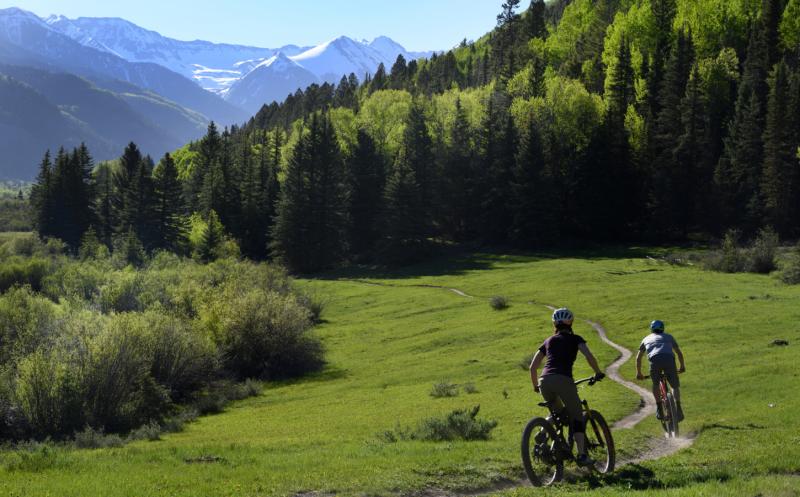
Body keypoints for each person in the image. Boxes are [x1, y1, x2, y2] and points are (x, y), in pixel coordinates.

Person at [529, 307, 605, 467]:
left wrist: (536, 386)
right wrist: (598, 372)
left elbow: (533, 367)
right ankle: (582, 455)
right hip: (563, 379)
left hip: (544, 381)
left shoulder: (548, 341)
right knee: (577, 416)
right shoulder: (576, 339)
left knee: (558, 412)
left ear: (554, 324)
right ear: (571, 323)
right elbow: (589, 356)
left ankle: (543, 432)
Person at [636, 320, 686, 421]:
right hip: (669, 360)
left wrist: (639, 373)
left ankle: (659, 409)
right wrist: (682, 366)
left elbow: (638, 357)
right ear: (663, 328)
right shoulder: (669, 337)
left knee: (655, 384)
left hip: (655, 360)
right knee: (674, 386)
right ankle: (678, 408)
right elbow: (679, 353)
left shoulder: (646, 338)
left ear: (652, 329)